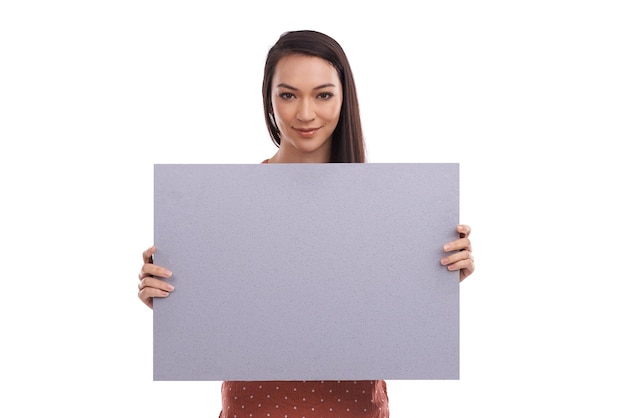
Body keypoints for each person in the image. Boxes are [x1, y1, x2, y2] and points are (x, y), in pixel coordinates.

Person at [138, 30, 475, 418]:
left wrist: (438, 280)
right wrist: (173, 300)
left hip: (355, 409)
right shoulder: (223, 207)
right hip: (254, 409)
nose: (305, 113)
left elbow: (394, 321)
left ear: (344, 97)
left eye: (323, 94)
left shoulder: (388, 210)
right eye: (288, 94)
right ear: (269, 98)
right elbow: (221, 319)